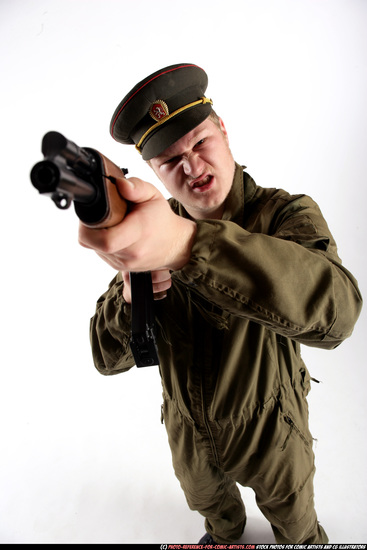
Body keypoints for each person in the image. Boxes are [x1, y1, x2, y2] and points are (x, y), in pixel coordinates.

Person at [79, 63, 362, 544]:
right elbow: (105, 359)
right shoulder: (150, 232)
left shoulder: (284, 214)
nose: (191, 168)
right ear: (153, 171)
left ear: (223, 130)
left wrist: (190, 247)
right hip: (187, 430)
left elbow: (338, 313)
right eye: (170, 161)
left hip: (270, 427)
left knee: (295, 524)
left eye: (199, 143)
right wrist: (133, 295)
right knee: (215, 517)